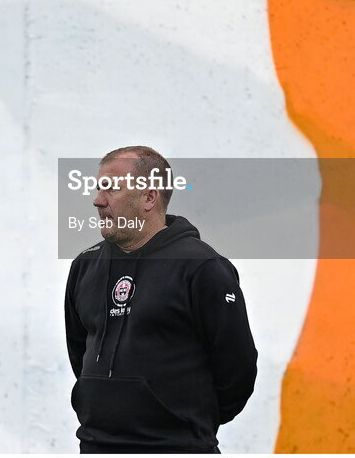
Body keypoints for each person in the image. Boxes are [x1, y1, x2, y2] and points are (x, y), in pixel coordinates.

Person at [64, 146, 258, 454]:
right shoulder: (84, 266)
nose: (97, 200)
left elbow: (237, 368)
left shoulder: (202, 267)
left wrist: (185, 421)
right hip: (95, 446)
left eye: (111, 189)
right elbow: (80, 352)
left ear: (149, 198)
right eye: (98, 188)